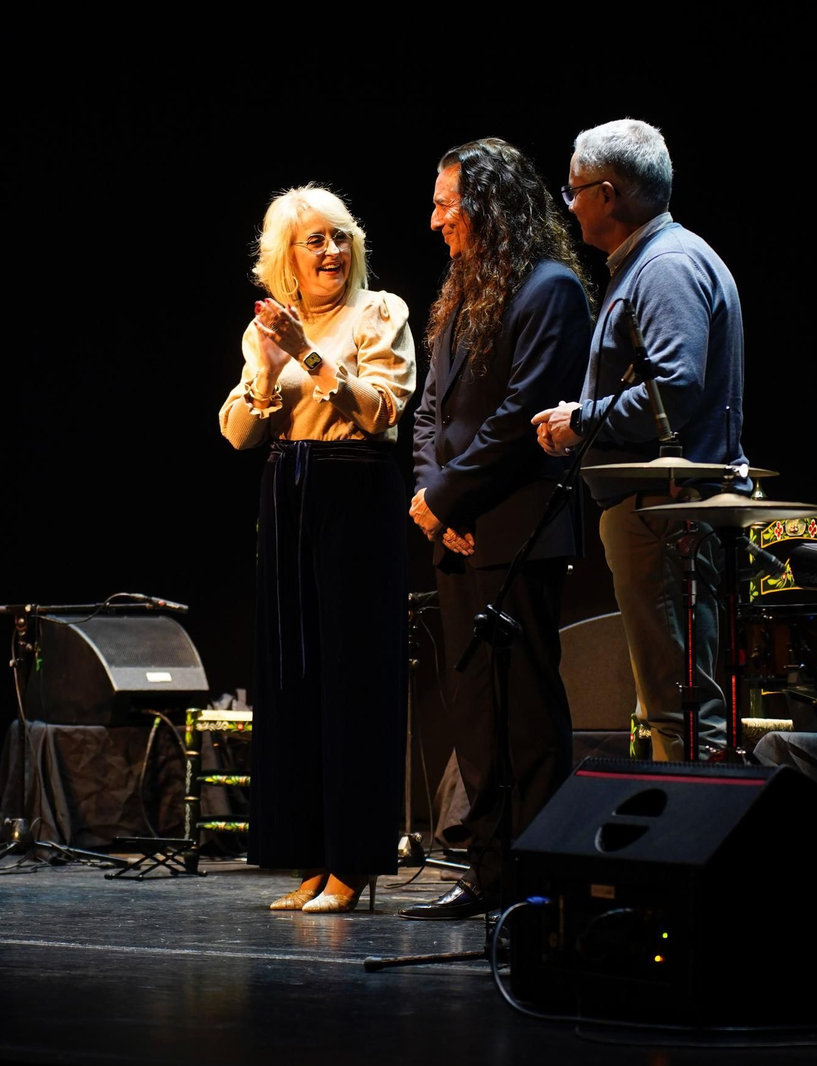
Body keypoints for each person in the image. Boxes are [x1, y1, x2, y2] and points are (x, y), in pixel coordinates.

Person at [398, 139, 594, 921]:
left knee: (529, 712)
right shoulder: (460, 287)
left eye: (448, 203)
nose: (436, 218)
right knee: (474, 710)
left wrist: (448, 498)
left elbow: (521, 418)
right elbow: (429, 412)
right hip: (456, 530)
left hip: (518, 528)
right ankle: (488, 874)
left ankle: (540, 879)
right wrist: (431, 497)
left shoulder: (549, 291)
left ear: (487, 206)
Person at [218, 184, 415, 913]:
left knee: (352, 678)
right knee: (293, 677)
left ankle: (354, 861)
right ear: (286, 260)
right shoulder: (266, 330)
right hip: (287, 491)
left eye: (340, 236)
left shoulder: (379, 312)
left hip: (355, 491)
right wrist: (270, 370)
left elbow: (383, 413)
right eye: (315, 241)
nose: (331, 251)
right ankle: (310, 857)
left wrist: (309, 356)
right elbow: (239, 433)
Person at [531, 119, 747, 762]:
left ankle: (690, 857)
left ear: (608, 193)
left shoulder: (666, 267)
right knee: (666, 705)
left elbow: (673, 391)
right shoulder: (654, 261)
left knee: (681, 709)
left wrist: (579, 421)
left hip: (664, 510)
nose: (568, 207)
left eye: (572, 193)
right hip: (656, 509)